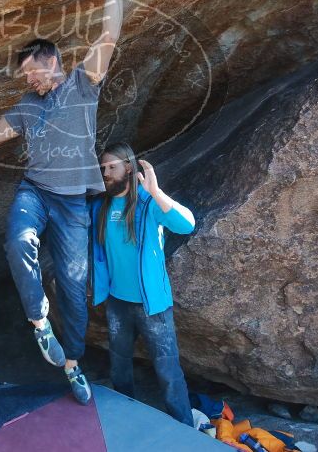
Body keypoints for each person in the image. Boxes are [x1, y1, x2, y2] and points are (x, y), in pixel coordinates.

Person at [0, 0, 131, 404]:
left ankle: (73, 364)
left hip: (74, 201)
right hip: (34, 190)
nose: (30, 81)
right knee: (17, 241)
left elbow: (109, 35)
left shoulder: (81, 83)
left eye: (33, 72)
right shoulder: (26, 105)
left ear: (52, 61)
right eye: (25, 77)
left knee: (75, 286)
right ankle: (39, 323)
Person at [90, 142, 196, 426]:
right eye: (103, 168)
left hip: (153, 304)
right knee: (119, 364)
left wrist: (157, 193)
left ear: (129, 167)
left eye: (112, 167)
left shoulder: (149, 204)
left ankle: (184, 427)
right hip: (117, 301)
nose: (106, 173)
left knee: (167, 370)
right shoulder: (100, 206)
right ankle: (127, 417)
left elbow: (187, 225)